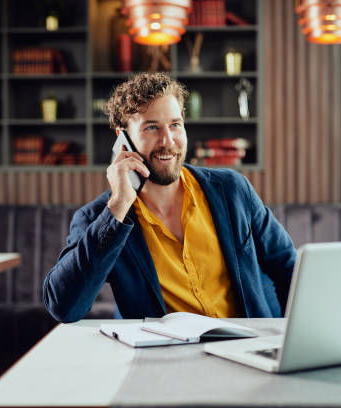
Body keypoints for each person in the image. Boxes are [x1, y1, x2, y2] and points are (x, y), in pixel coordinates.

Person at [43, 73, 296, 322]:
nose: (168, 140)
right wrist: (119, 206)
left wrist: (288, 337)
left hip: (245, 350)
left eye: (175, 124)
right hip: (165, 358)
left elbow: (289, 268)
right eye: (152, 127)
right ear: (123, 140)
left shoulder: (232, 190)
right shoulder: (100, 218)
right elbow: (64, 307)